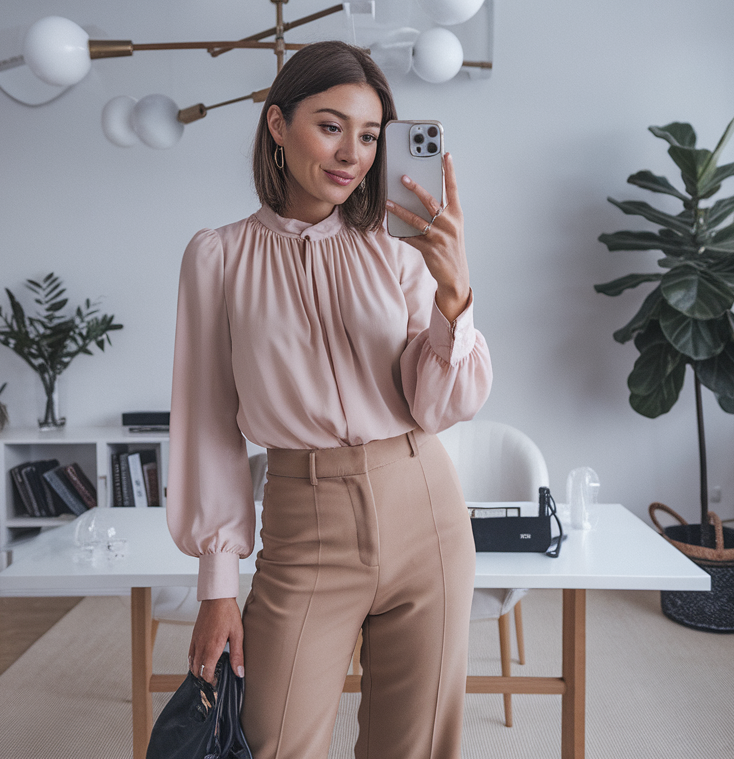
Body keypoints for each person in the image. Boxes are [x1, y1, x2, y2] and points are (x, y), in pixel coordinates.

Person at [167, 39, 492, 759]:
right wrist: (219, 584)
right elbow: (206, 423)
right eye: (331, 125)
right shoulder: (218, 257)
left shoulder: (399, 249)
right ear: (278, 127)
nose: (352, 153)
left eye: (371, 135)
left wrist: (455, 292)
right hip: (303, 517)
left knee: (414, 748)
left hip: (425, 507)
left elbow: (439, 403)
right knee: (274, 739)